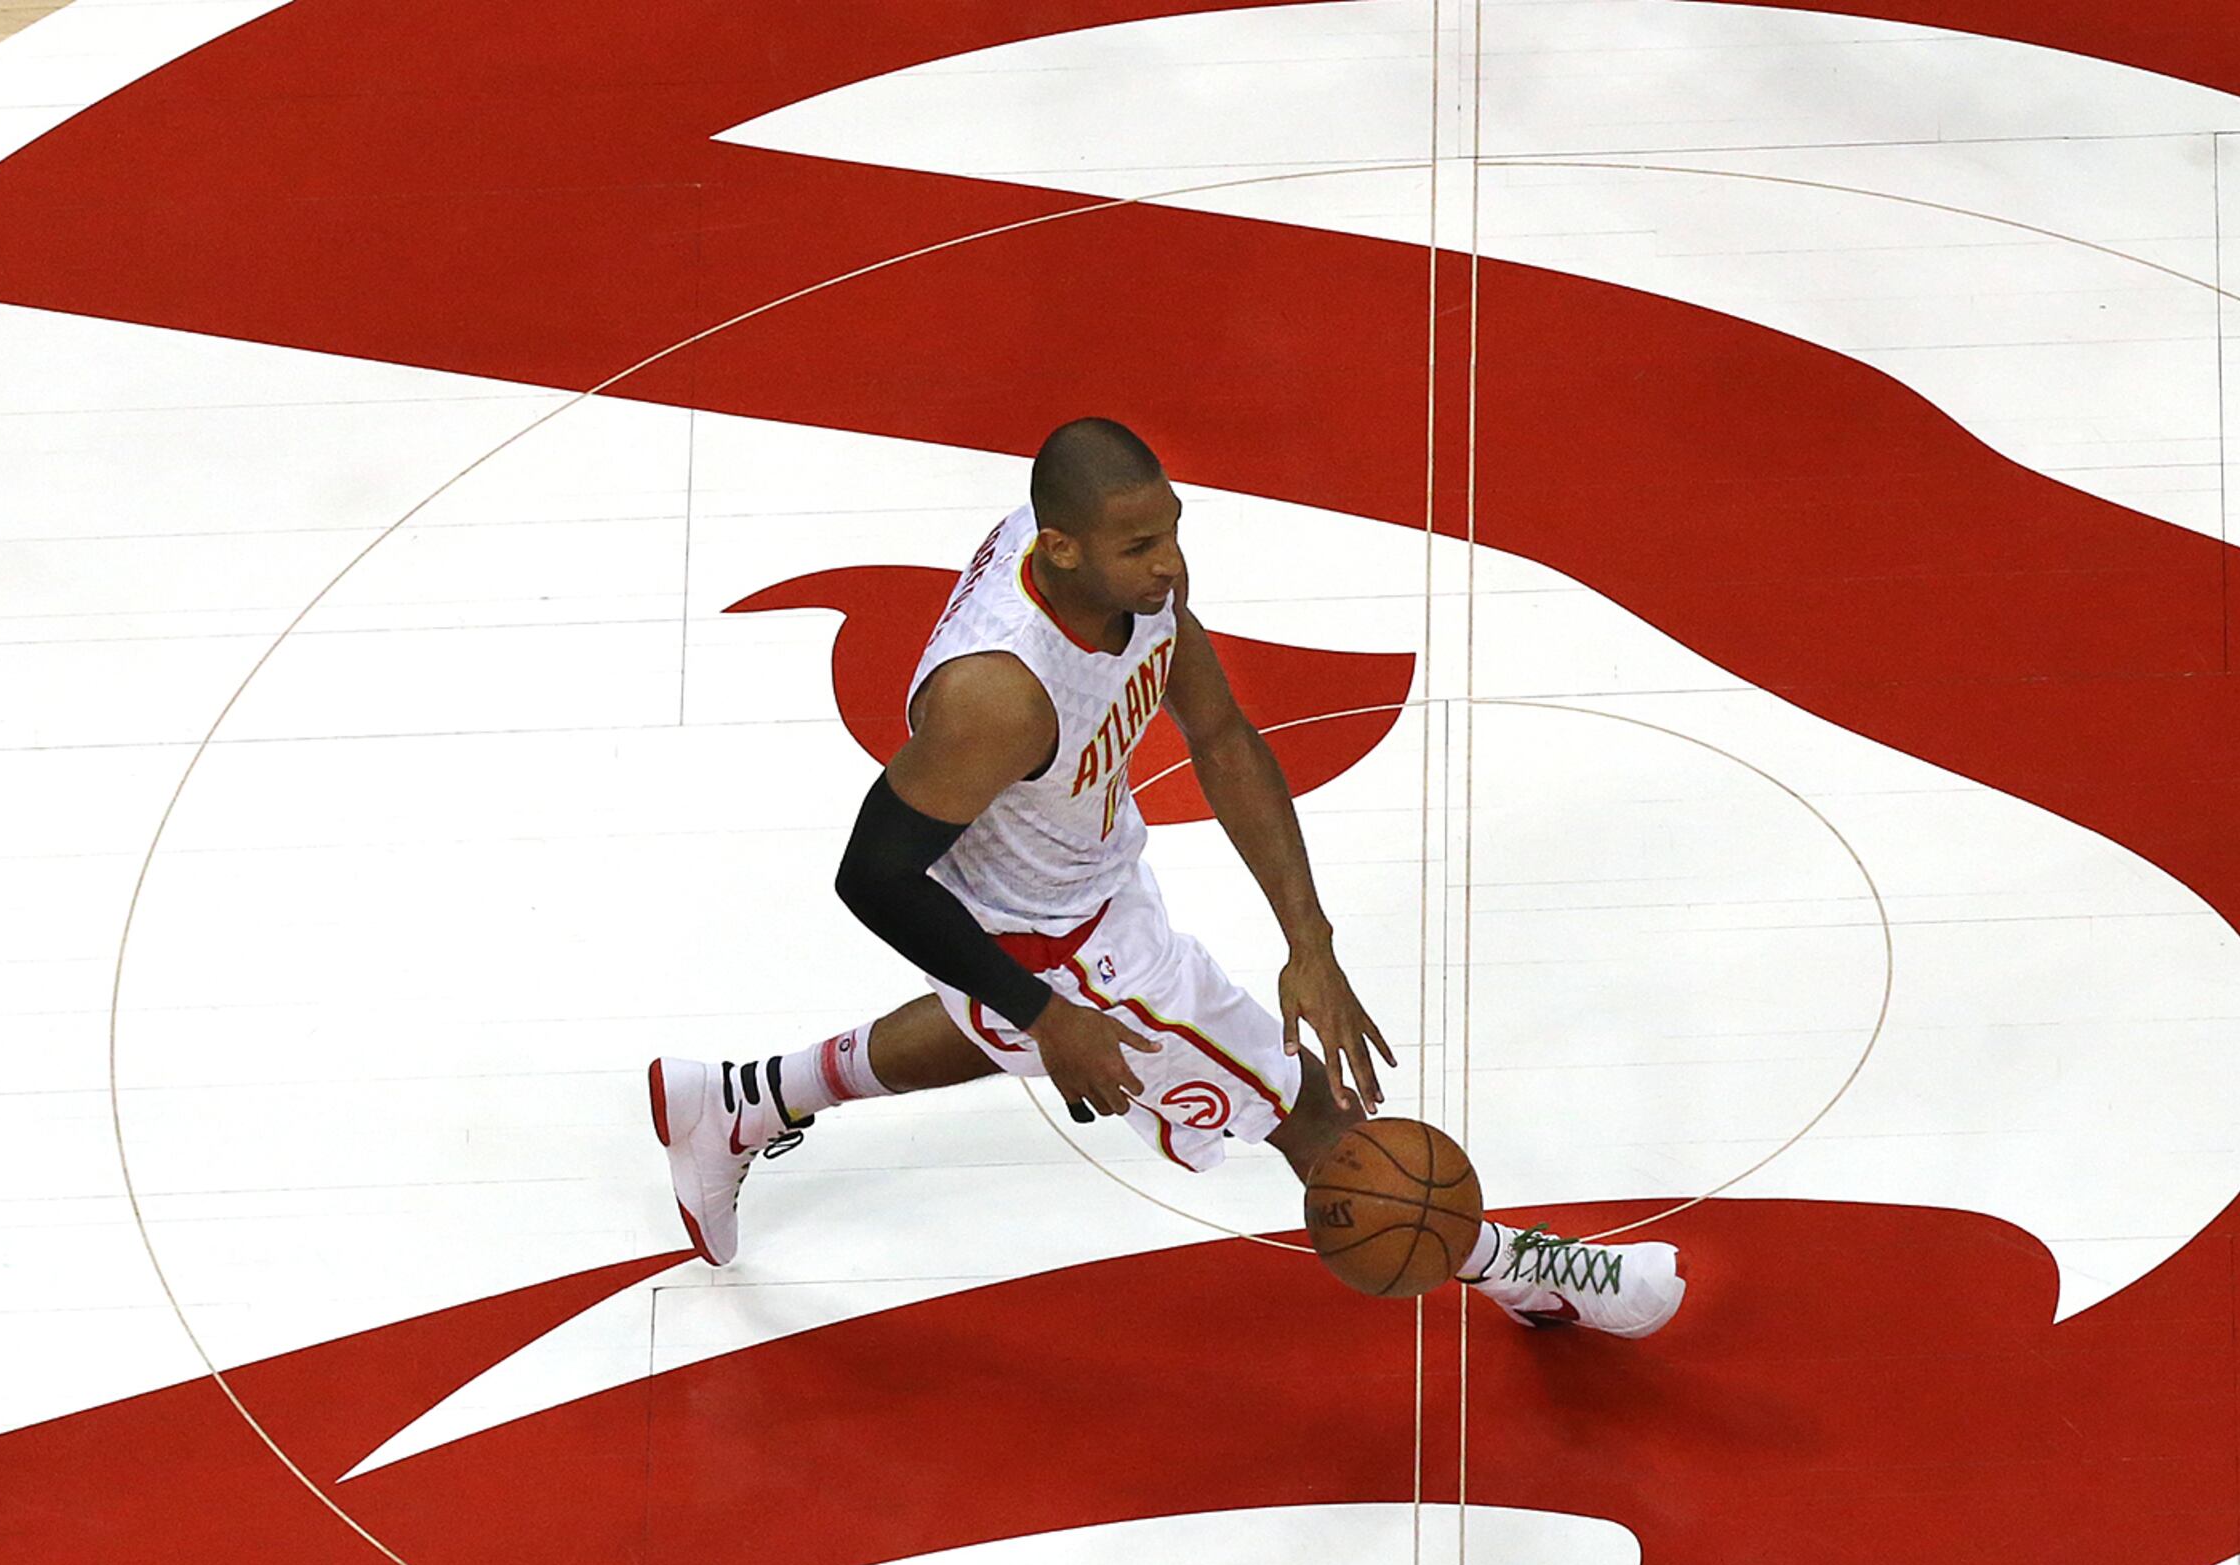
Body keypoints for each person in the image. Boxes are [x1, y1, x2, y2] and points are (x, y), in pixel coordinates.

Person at [649, 418, 1685, 1337]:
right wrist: (1045, 1010)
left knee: (1002, 1034)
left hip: (1084, 872)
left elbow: (1222, 736)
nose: (1170, 565)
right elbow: (872, 877)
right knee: (1312, 1114)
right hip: (1054, 944)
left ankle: (740, 1101)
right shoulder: (998, 697)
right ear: (1060, 547)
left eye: (1173, 531)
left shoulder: (1112, 573)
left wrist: (1310, 943)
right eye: (1141, 546)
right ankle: (1530, 1277)